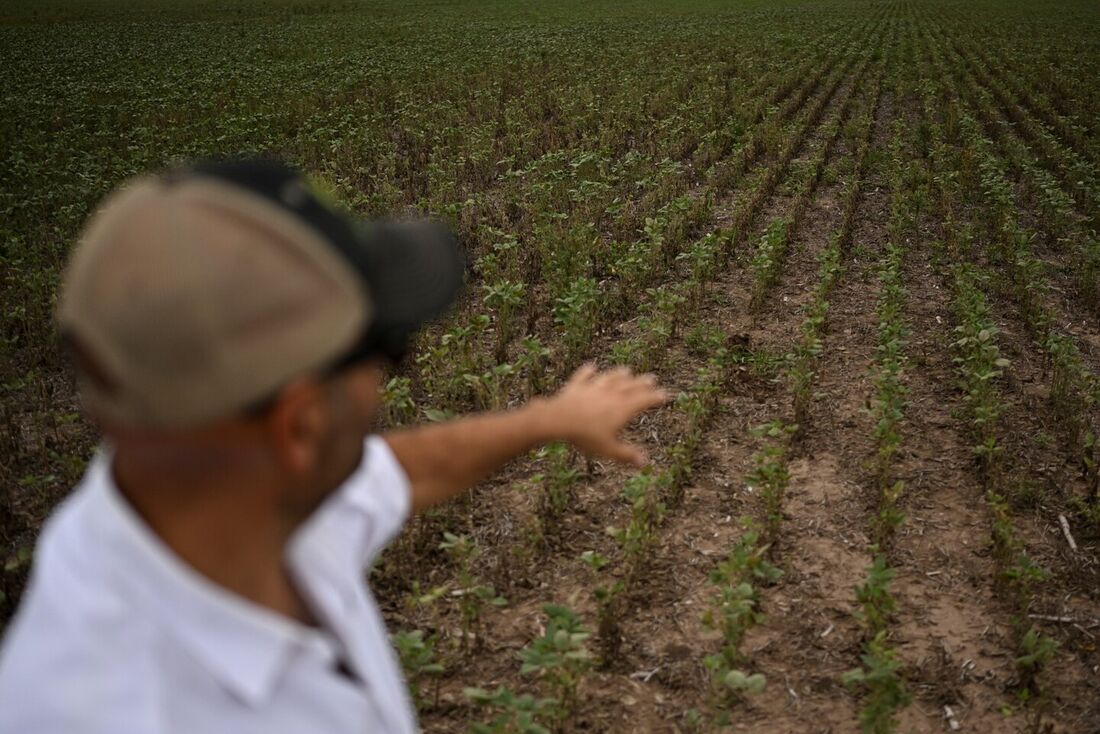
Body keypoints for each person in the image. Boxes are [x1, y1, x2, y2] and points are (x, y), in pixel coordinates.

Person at [0, 159, 668, 732]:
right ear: (300, 427)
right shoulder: (118, 711)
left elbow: (395, 474)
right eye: (387, 353)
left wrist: (548, 420)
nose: (382, 385)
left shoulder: (217, 496)